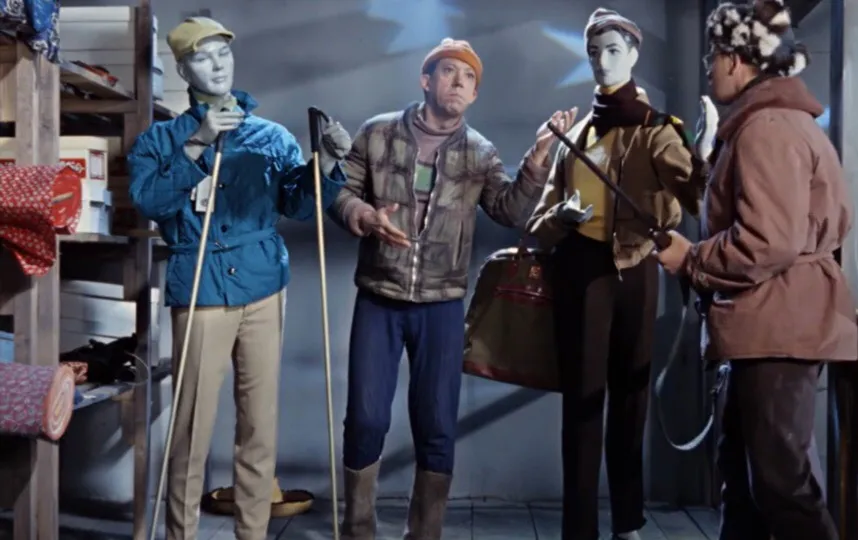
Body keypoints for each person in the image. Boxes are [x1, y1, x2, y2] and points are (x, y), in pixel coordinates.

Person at [329, 37, 575, 540]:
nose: (459, 83)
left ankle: (426, 533)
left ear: (475, 94)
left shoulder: (479, 152)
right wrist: (363, 214)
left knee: (437, 425)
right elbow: (341, 190)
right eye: (449, 72)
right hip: (379, 297)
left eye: (469, 78)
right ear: (426, 80)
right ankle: (357, 530)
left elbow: (509, 210)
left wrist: (538, 157)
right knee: (366, 420)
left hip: (441, 306)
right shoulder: (377, 133)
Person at [126, 17, 351, 540]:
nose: (217, 65)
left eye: (223, 54)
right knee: (190, 428)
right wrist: (198, 143)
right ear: (183, 70)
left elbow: (299, 205)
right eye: (202, 58)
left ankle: (252, 534)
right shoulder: (160, 139)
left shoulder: (271, 137)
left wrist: (327, 163)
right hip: (201, 287)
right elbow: (149, 203)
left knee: (259, 425)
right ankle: (181, 534)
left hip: (263, 286)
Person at [653, 1, 857, 539]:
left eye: (713, 56)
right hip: (768, 325)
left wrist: (691, 259)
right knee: (745, 486)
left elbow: (769, 240)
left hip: (778, 327)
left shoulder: (767, 128)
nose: (708, 67)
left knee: (782, 487)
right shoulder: (767, 123)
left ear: (738, 60)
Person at [526, 8, 716, 540]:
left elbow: (695, 197)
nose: (602, 62)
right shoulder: (577, 134)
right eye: (594, 52)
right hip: (581, 271)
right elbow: (537, 222)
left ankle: (628, 523)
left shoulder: (656, 131)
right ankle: (579, 529)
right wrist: (559, 218)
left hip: (635, 269)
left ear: (633, 54)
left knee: (631, 399)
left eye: (613, 50)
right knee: (582, 403)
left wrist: (703, 155)